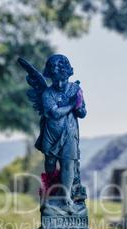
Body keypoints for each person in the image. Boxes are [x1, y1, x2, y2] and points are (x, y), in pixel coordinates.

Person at [34, 55, 87, 206]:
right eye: (55, 79)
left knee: (67, 164)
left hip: (70, 133)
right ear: (50, 77)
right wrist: (72, 104)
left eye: (63, 79)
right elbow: (56, 113)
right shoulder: (48, 94)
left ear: (69, 75)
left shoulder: (75, 89)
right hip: (51, 134)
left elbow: (83, 114)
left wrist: (80, 106)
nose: (60, 83)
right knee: (50, 161)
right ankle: (50, 189)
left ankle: (66, 195)